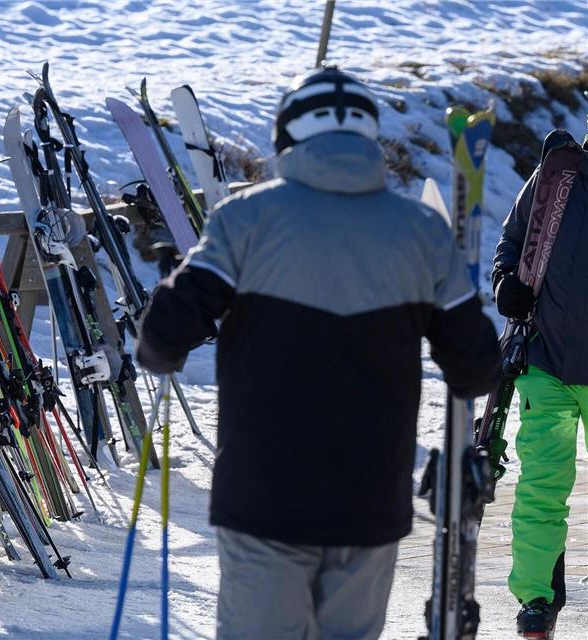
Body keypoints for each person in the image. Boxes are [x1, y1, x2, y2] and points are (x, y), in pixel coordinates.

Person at [135, 66, 501, 639]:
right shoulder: (421, 232)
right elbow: (476, 365)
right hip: (371, 500)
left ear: (288, 138)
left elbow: (161, 341)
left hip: (264, 497)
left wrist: (171, 291)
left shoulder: (246, 217)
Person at [491, 132, 588, 638]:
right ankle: (536, 599)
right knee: (541, 487)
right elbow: (512, 239)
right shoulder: (557, 174)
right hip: (547, 357)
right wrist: (506, 280)